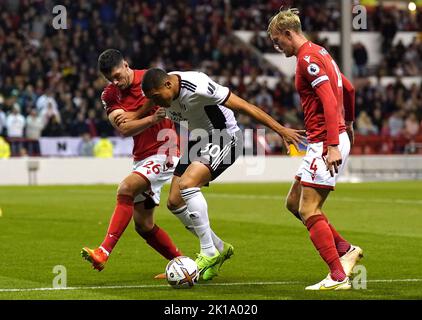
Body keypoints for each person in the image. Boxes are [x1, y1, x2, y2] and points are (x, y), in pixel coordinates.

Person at [118, 67, 305, 281]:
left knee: (188, 184)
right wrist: (136, 114)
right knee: (174, 202)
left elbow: (244, 106)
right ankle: (220, 248)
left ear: (168, 85)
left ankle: (208, 253)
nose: (156, 104)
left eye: (157, 97)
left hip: (225, 136)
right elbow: (150, 100)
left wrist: (280, 129)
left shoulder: (197, 85)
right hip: (200, 139)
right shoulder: (162, 90)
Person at [267, 8, 363, 290]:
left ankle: (337, 277)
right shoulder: (321, 52)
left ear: (288, 34)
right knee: (293, 203)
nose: (277, 46)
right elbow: (348, 88)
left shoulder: (306, 59)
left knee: (309, 209)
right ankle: (345, 250)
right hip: (326, 139)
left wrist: (333, 143)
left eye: (277, 41)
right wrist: (351, 124)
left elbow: (329, 101)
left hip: (325, 142)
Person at [81, 49, 183, 276]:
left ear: (126, 65)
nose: (116, 82)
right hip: (142, 157)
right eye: (111, 79)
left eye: (118, 75)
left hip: (164, 151)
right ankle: (183, 263)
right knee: (143, 225)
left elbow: (136, 118)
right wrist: (150, 117)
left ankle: (103, 252)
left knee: (126, 188)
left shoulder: (152, 79)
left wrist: (135, 117)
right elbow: (124, 128)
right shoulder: (110, 94)